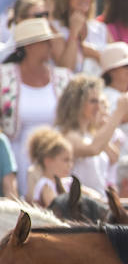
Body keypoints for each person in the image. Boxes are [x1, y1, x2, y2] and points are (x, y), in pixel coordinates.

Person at [0, 18, 73, 199]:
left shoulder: (63, 77)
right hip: (17, 156)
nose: (50, 46)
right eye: (44, 42)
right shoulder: (4, 76)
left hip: (54, 158)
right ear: (29, 46)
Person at [55, 74, 128, 188]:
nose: (98, 107)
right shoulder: (65, 134)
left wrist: (101, 126)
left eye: (99, 101)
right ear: (77, 103)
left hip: (99, 196)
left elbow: (113, 157)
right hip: (79, 198)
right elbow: (93, 149)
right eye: (93, 101)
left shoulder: (91, 134)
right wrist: (119, 112)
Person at [47, 0, 106, 75]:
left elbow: (116, 65)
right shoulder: (53, 28)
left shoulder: (100, 28)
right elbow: (66, 69)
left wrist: (96, 54)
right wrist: (73, 32)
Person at [25, 127, 73, 205]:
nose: (70, 165)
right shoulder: (46, 185)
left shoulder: (68, 182)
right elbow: (57, 207)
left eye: (71, 160)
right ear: (48, 161)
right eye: (65, 160)